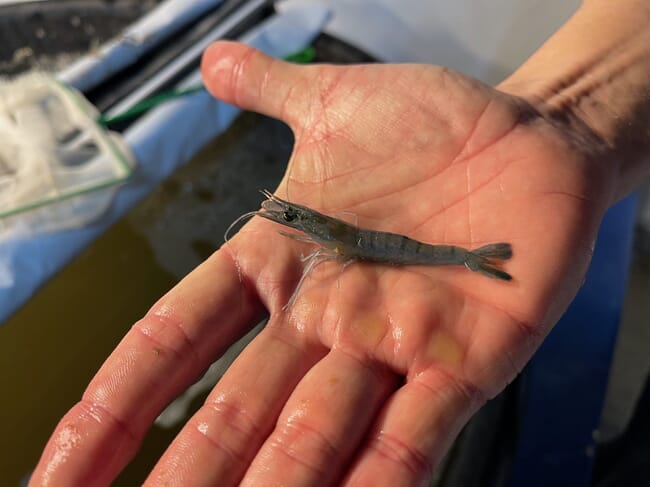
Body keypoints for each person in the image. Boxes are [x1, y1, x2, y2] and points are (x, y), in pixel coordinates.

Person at [30, 1, 650, 485]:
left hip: (399, 242)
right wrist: (573, 117)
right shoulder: (326, 229)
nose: (294, 220)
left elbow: (342, 244)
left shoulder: (337, 239)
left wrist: (570, 118)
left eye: (297, 219)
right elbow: (333, 236)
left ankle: (474, 259)